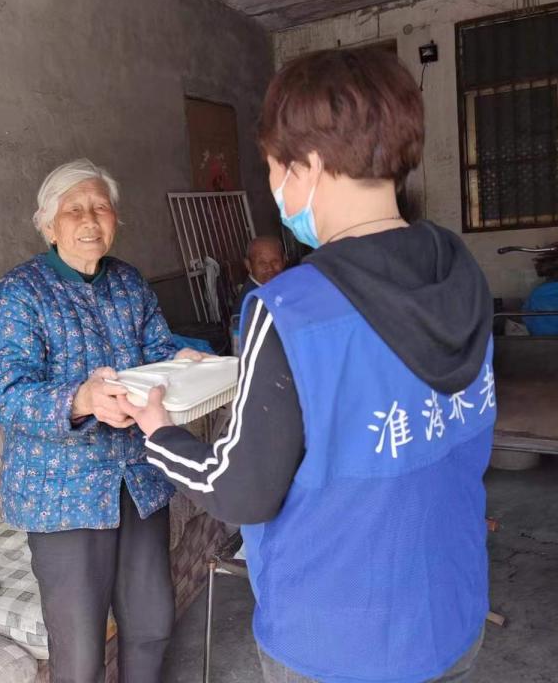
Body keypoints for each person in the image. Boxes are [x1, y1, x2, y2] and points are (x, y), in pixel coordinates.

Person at [116, 49, 495, 683]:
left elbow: (242, 491)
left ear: (309, 165)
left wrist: (159, 433)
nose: (276, 190)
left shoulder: (293, 307)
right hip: (453, 609)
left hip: (337, 638)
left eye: (273, 169)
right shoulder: (460, 271)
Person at [0, 159, 203, 683]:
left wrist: (180, 358)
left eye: (100, 207)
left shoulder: (128, 282)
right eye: (74, 210)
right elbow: (7, 395)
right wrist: (79, 399)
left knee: (151, 624)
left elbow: (155, 350)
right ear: (48, 225)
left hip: (138, 480)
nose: (89, 220)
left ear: (115, 219)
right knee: (80, 654)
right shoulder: (20, 293)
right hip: (63, 495)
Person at [233, 236, 285, 314]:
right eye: (262, 263)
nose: (270, 268)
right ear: (248, 265)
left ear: (284, 260)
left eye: (275, 261)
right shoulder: (251, 304)